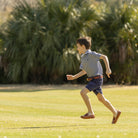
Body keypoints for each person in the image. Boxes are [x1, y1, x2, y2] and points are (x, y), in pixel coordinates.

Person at [66, 36, 121, 124]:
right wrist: (73, 77)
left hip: (97, 79)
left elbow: (104, 57)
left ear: (83, 46)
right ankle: (115, 112)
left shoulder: (91, 54)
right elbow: (84, 71)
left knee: (82, 92)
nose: (77, 49)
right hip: (92, 80)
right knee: (101, 99)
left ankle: (91, 113)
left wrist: (108, 69)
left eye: (78, 46)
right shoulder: (83, 57)